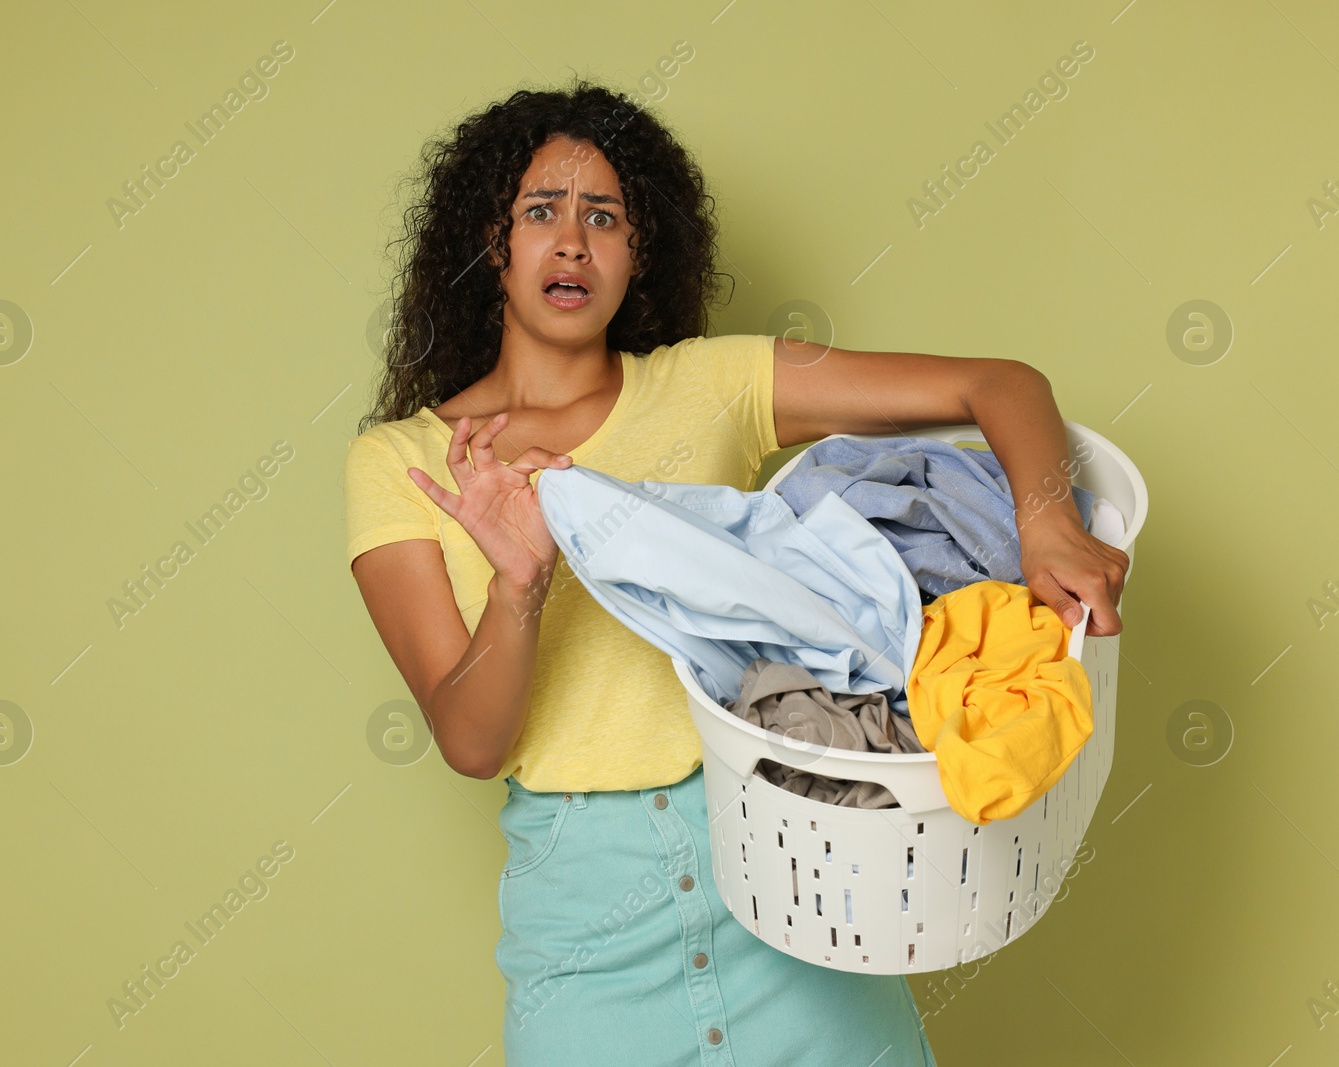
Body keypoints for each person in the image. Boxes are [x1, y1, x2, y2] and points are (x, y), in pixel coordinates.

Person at [344, 78, 1127, 1067]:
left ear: (642, 248)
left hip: (792, 872)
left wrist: (1046, 516)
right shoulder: (405, 462)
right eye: (541, 211)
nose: (574, 242)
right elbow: (471, 738)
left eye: (605, 217)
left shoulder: (714, 383)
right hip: (584, 928)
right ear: (490, 240)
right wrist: (520, 585)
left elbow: (998, 384)